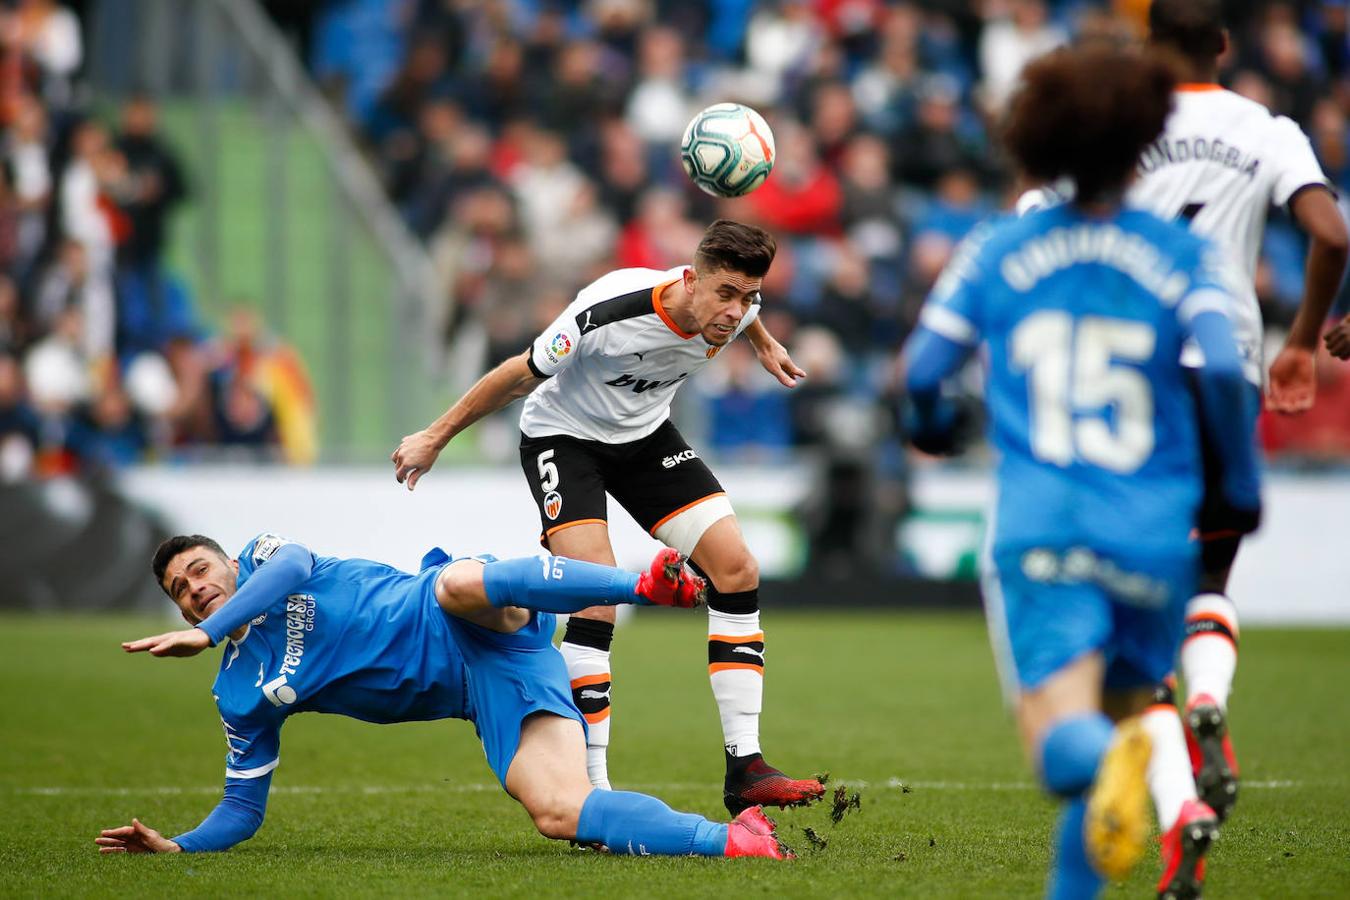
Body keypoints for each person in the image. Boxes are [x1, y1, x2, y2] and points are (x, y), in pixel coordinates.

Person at [903, 46, 1262, 899]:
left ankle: (1107, 758)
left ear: (1035, 136)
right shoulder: (1184, 254)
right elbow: (1218, 370)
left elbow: (921, 373)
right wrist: (1237, 488)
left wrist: (935, 428)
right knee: (1124, 727)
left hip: (1044, 524)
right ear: (1146, 137)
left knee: (1067, 751)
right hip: (1151, 531)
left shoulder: (997, 247)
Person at [1018, 2, 1349, 893]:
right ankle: (1209, 700)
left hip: (1131, 385)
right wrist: (1300, 339)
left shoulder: (1120, 123)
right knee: (1207, 585)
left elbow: (1035, 210)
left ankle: (1179, 801)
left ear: (1145, 44)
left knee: (1125, 629)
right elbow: (1330, 232)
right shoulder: (1265, 128)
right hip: (1229, 376)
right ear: (1227, 46)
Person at [391, 219, 824, 813]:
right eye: (725, 294)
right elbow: (516, 376)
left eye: (749, 297)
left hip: (644, 439)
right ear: (691, 280)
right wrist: (435, 437)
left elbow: (746, 311)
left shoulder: (737, 306)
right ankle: (589, 786)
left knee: (737, 568)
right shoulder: (609, 312)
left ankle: (745, 766)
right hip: (563, 439)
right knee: (597, 595)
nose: (736, 309)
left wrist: (764, 341)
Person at [95, 533, 792, 859]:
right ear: (179, 611)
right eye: (182, 592)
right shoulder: (237, 694)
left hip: (461, 608)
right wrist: (178, 848)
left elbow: (296, 564)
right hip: (486, 683)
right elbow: (242, 808)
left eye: (201, 571)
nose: (196, 588)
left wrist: (212, 629)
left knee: (455, 584)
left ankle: (646, 586)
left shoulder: (269, 556)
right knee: (558, 814)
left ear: (229, 564)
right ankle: (736, 840)